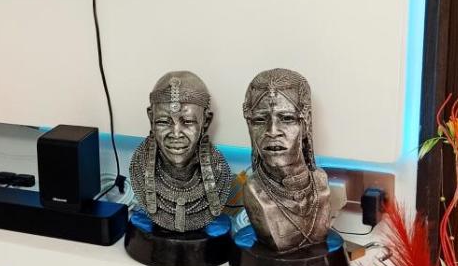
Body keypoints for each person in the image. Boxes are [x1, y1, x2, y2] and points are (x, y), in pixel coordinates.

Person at [129, 70, 233, 233]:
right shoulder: (139, 167)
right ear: (151, 118)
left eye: (188, 121)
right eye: (164, 122)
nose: (176, 133)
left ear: (206, 121)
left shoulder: (219, 172)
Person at [242, 68, 332, 250]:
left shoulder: (321, 183)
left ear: (305, 122)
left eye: (287, 118)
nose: (272, 131)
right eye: (259, 120)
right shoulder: (254, 193)